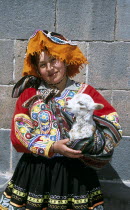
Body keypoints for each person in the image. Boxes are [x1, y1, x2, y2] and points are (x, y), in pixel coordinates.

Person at [0, 30, 122, 210]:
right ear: (37, 69)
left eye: (54, 60)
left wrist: (91, 143)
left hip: (76, 175)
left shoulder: (86, 92)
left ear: (65, 59)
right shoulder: (29, 94)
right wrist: (52, 147)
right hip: (36, 172)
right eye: (43, 64)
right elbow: (18, 134)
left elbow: (112, 123)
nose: (50, 68)